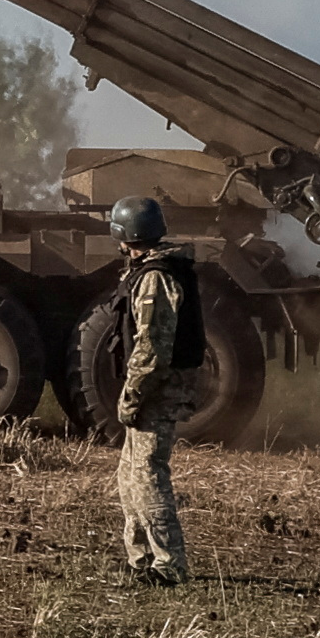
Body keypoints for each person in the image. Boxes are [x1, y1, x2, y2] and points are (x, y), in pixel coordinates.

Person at [107, 197, 200, 583]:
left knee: (148, 474)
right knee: (130, 476)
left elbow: (152, 347)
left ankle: (169, 565)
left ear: (126, 234)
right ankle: (141, 558)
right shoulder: (147, 271)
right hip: (151, 389)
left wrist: (132, 395)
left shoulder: (154, 277)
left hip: (156, 390)